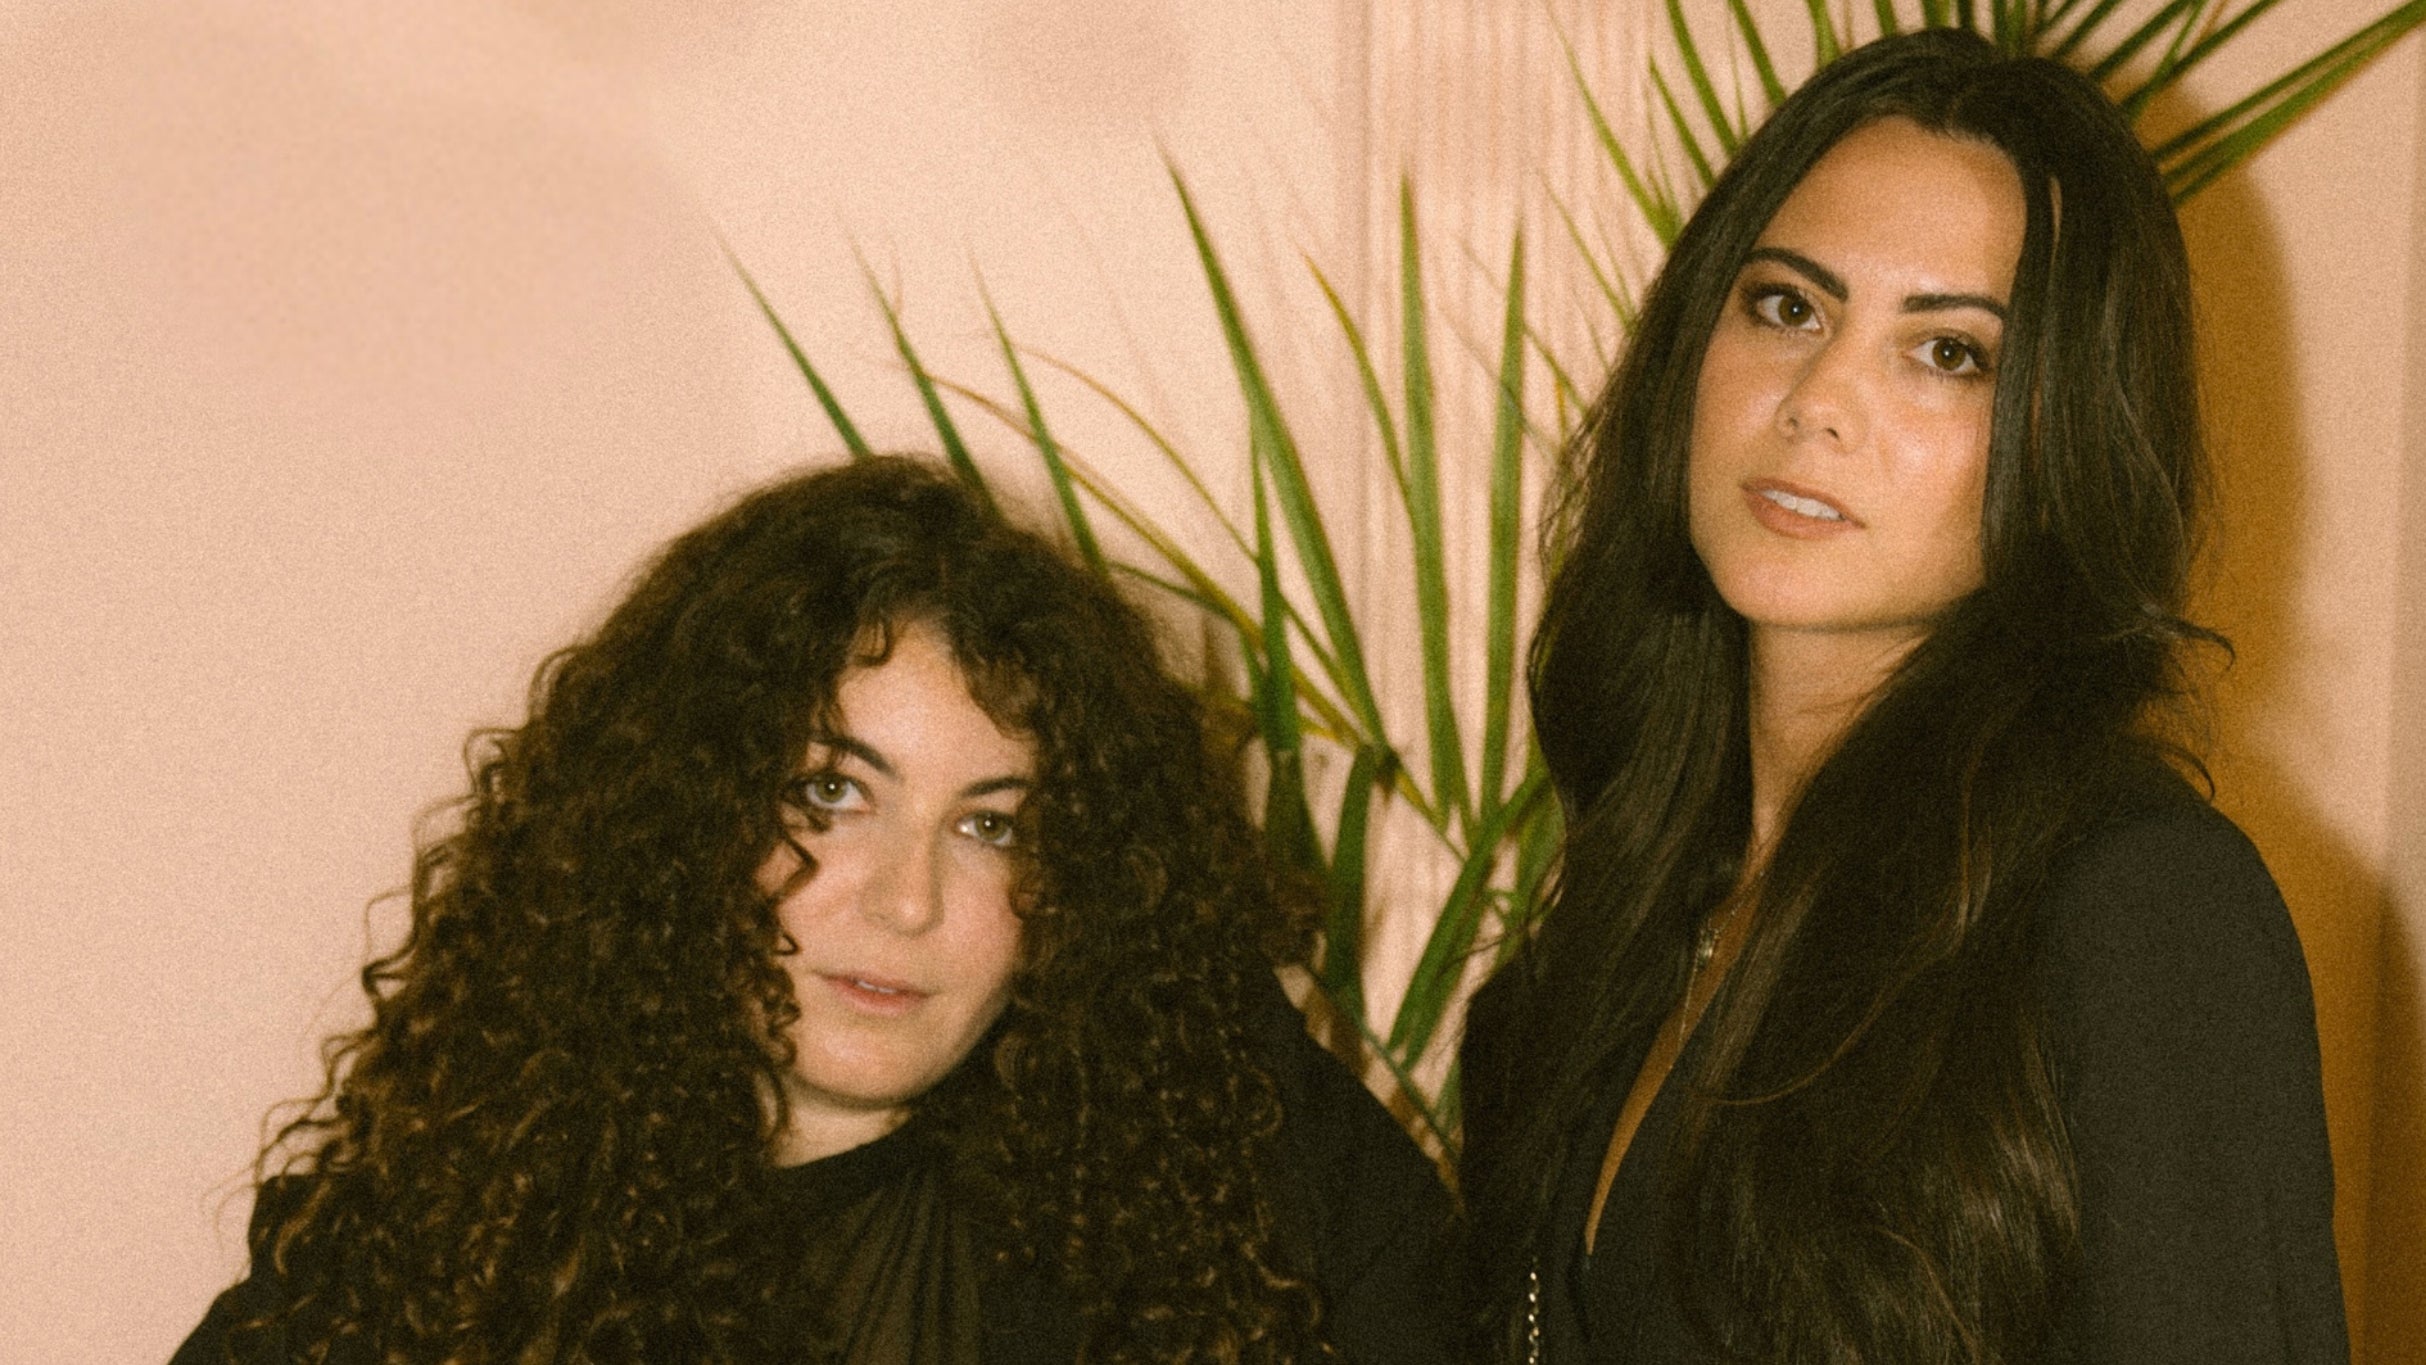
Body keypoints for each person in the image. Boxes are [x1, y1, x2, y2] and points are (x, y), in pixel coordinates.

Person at [1458, 27, 2344, 1365]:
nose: (1817, 401)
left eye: (1945, 354)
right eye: (1786, 308)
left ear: (2062, 433)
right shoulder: (1625, 911)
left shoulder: (2133, 904)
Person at [174, 456, 1454, 1364]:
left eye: (991, 825)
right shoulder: (432, 1248)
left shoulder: (1242, 1174)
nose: (906, 900)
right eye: (832, 793)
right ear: (680, 819)